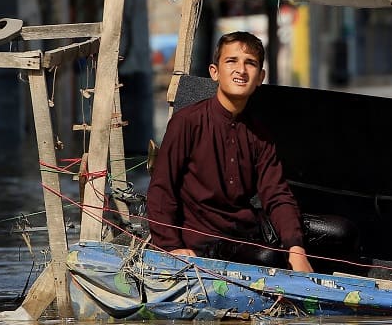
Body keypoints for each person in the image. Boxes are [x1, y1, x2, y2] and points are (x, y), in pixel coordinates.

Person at [146, 31, 345, 272]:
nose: (241, 70)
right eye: (232, 61)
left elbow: (276, 195)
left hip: (248, 228)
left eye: (250, 63)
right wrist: (171, 247)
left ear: (260, 77)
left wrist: (296, 248)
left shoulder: (259, 134)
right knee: (267, 258)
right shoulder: (187, 122)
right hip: (207, 239)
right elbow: (161, 189)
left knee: (341, 232)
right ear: (214, 72)